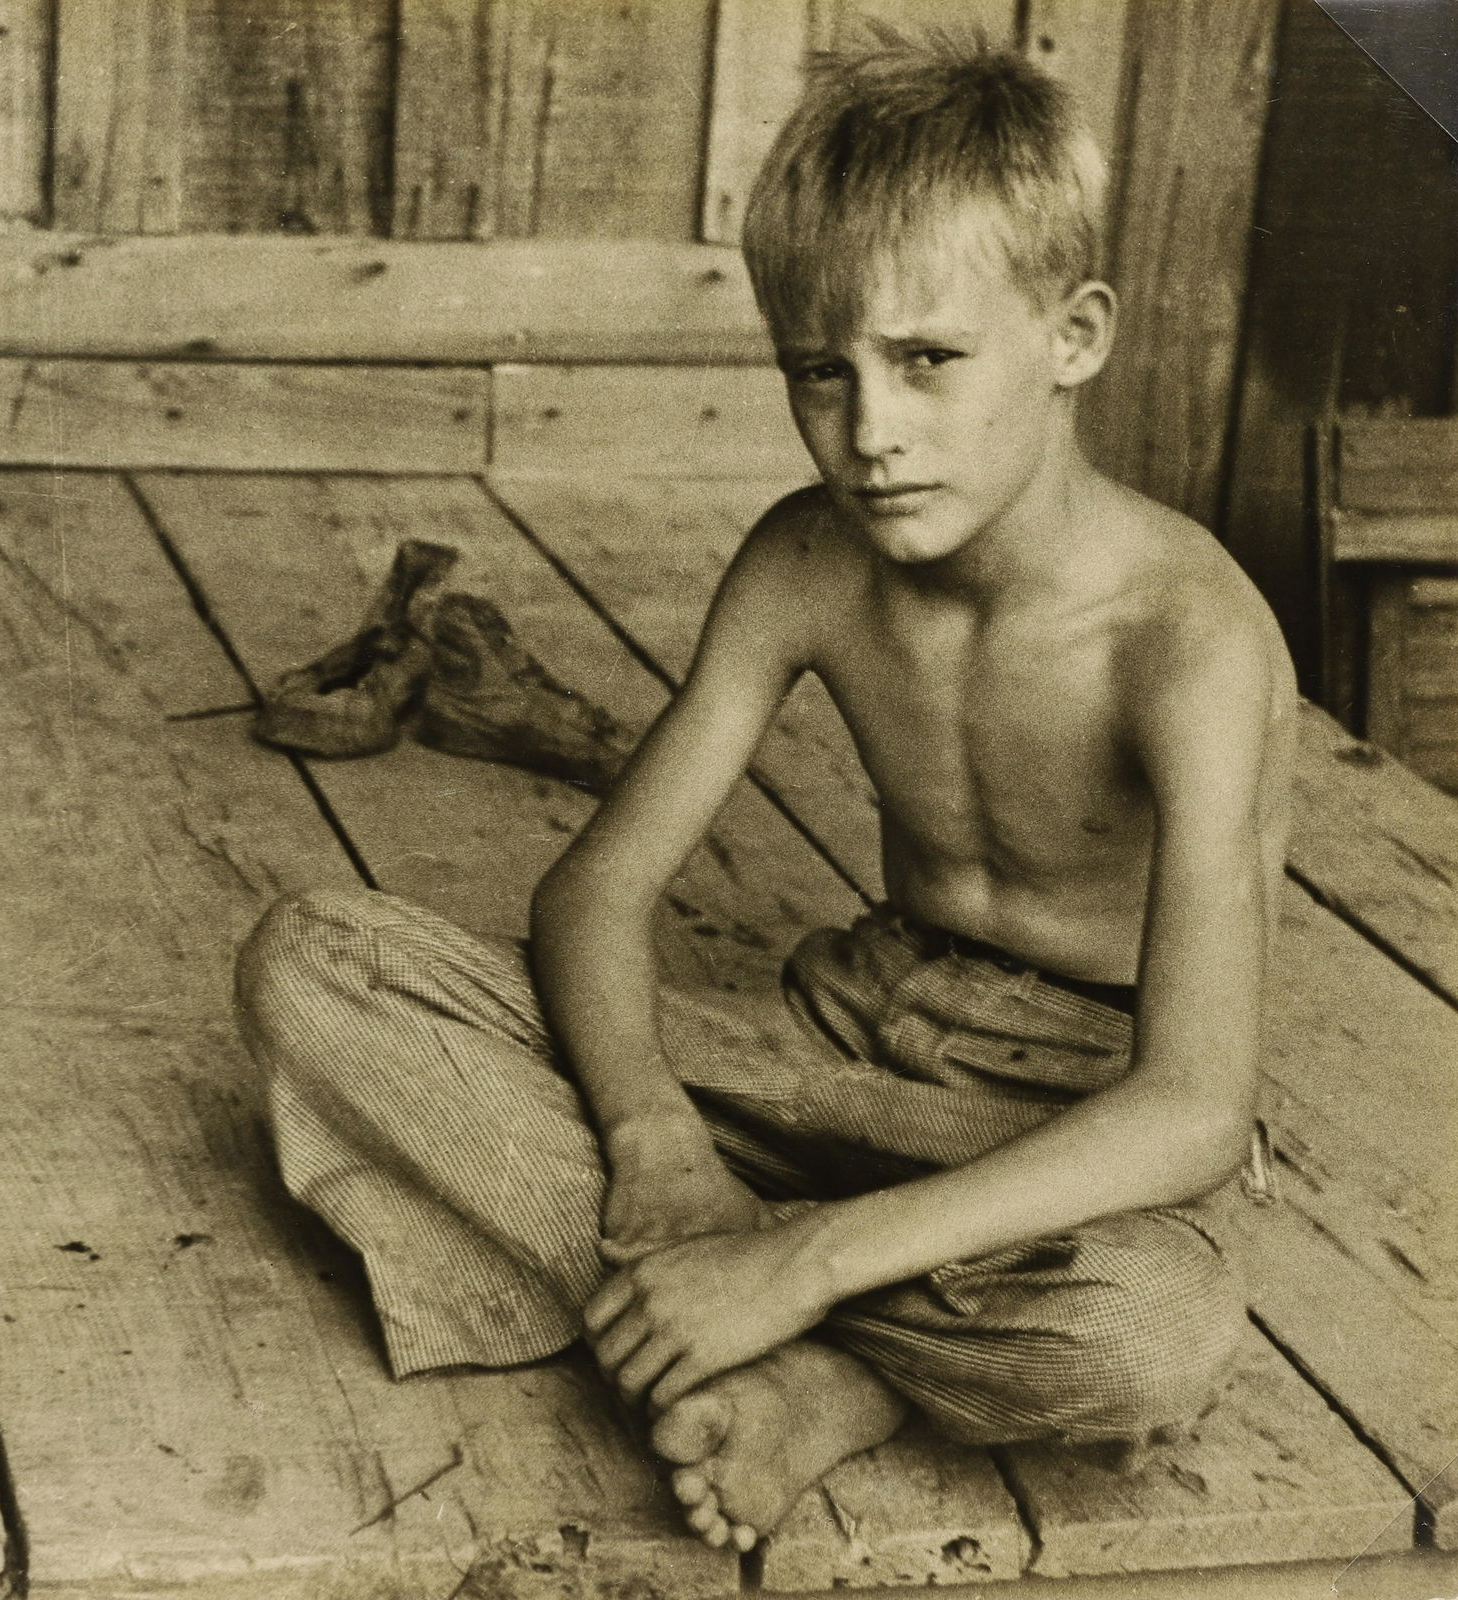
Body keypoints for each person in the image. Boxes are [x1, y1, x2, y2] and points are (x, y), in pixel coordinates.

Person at [236, 31, 1294, 1555]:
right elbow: (596, 889)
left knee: (1149, 1334)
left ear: (1075, 334)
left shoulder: (1189, 642)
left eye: (927, 360)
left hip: (1085, 1098)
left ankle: (814, 1368)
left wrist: (795, 1264)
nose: (871, 432)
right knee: (315, 965)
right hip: (842, 1037)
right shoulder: (807, 561)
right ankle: (753, 1304)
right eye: (822, 371)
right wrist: (658, 1134)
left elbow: (1196, 1107)